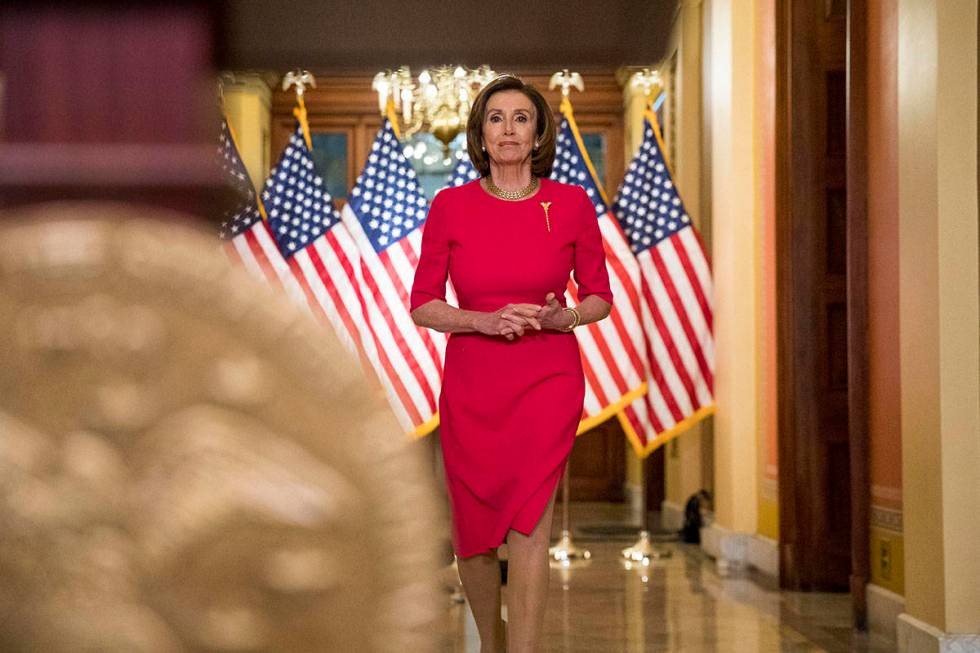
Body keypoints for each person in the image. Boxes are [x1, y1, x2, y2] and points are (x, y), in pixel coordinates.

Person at [409, 74, 613, 653]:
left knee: (530, 526)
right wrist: (483, 320)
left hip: (547, 378)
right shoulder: (450, 206)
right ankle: (493, 643)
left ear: (539, 131)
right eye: (496, 118)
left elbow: (599, 296)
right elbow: (423, 305)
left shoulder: (570, 204)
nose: (508, 129)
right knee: (471, 537)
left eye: (521, 118)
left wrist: (562, 319)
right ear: (480, 132)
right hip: (474, 384)